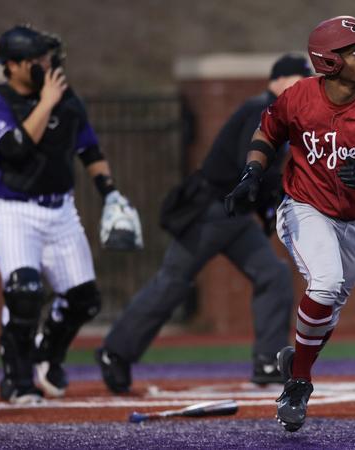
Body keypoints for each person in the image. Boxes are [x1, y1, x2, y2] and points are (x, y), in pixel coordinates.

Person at [224, 16, 355, 432]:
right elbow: (267, 131)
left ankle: (293, 360)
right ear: (329, 61)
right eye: (354, 51)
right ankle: (299, 382)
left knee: (329, 309)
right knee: (326, 284)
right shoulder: (300, 96)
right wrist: (252, 174)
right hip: (305, 206)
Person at [95, 54, 313, 394]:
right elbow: (252, 163)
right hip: (211, 211)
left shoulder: (278, 114)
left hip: (234, 217)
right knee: (172, 283)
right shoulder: (262, 109)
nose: (306, 90)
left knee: (274, 274)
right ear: (282, 80)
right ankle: (115, 352)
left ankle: (269, 361)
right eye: (301, 81)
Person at [0, 25, 142, 404]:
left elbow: (89, 150)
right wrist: (46, 102)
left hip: (60, 208)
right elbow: (15, 150)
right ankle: (16, 381)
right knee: (24, 292)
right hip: (13, 209)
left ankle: (47, 353)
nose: (47, 67)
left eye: (47, 59)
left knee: (85, 299)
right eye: (37, 61)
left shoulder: (67, 100)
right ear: (13, 65)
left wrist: (110, 192)